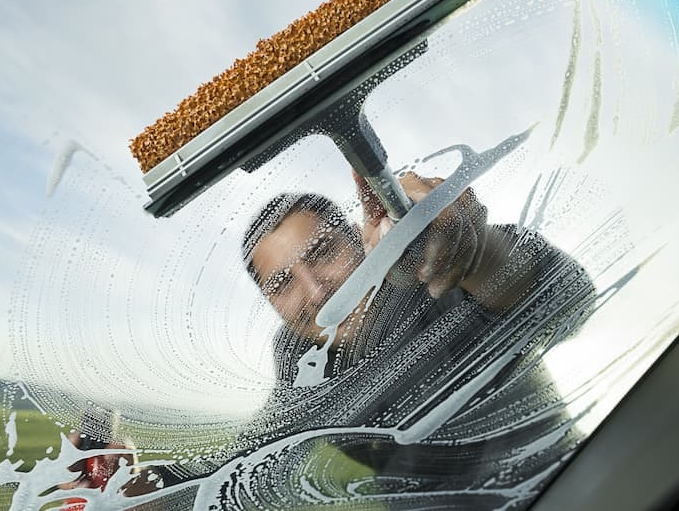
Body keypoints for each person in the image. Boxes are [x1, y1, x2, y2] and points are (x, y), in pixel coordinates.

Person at [140, 171, 596, 507]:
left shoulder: (428, 277)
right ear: (270, 303)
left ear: (358, 240)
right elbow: (256, 449)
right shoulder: (300, 358)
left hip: (567, 486)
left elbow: (571, 299)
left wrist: (471, 250)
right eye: (284, 283)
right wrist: (147, 485)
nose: (316, 291)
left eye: (322, 253)